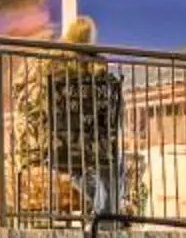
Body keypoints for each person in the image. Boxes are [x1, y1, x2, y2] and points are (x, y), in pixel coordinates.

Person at [21, 13, 126, 218]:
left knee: (78, 169)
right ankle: (107, 216)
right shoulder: (97, 68)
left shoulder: (51, 64)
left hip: (58, 143)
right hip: (91, 143)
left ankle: (105, 213)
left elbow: (35, 104)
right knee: (113, 160)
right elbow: (109, 107)